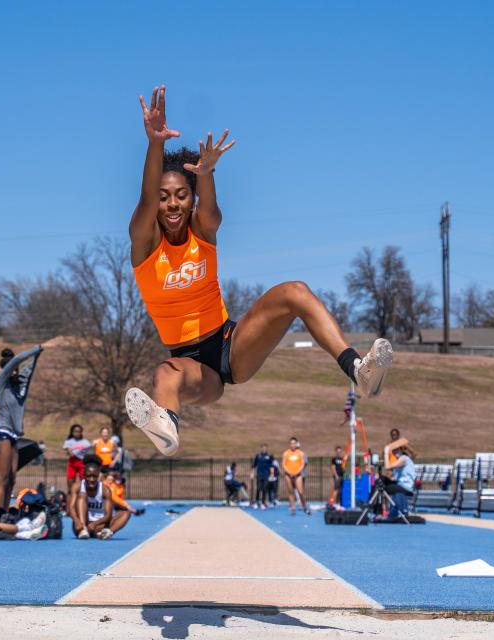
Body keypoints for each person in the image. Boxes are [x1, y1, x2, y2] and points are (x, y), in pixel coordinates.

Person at [123, 86, 392, 458]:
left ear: (192, 199)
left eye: (182, 195)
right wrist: (155, 144)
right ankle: (166, 425)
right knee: (165, 374)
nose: (172, 203)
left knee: (295, 291)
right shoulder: (145, 244)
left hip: (232, 344)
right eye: (166, 196)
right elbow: (147, 199)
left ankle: (358, 370)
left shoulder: (203, 230)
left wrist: (207, 173)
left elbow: (212, 212)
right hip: (196, 366)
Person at [0, 345, 44, 511]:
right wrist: (37, 348)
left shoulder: (19, 387)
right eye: (11, 369)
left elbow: (30, 368)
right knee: (2, 477)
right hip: (0, 431)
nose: (14, 372)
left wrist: (37, 355)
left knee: (11, 479)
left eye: (16, 370)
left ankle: (4, 513)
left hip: (13, 434)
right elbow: (17, 361)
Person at [70, 456, 129, 539]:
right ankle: (83, 530)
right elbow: (71, 508)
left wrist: (95, 524)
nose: (91, 479)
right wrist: (76, 521)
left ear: (98, 475)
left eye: (94, 476)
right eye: (88, 476)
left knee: (126, 513)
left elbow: (108, 515)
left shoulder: (105, 490)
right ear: (84, 475)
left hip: (99, 525)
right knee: (82, 495)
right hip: (82, 523)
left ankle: (107, 533)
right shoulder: (77, 486)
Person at [381, 437, 416, 520]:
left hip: (405, 487)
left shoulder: (403, 459)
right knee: (381, 480)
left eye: (396, 450)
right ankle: (377, 510)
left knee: (384, 487)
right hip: (400, 484)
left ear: (401, 450)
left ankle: (398, 510)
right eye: (393, 450)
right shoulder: (399, 460)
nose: (394, 452)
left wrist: (386, 452)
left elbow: (387, 467)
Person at [63, 424, 92, 499]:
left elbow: (89, 447)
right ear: (72, 432)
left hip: (81, 463)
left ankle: (83, 501)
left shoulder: (85, 441)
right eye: (75, 431)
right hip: (72, 463)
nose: (77, 433)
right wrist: (71, 452)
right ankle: (69, 505)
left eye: (79, 431)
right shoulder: (69, 441)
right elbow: (68, 451)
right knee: (70, 485)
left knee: (84, 484)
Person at [282, 437, 310, 515]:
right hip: (288, 474)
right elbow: (284, 464)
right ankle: (293, 508)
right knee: (291, 492)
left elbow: (303, 464)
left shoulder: (300, 453)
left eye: (294, 443)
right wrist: (289, 472)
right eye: (291, 443)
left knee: (300, 492)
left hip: (298, 475)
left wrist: (297, 472)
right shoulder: (286, 453)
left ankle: (304, 507)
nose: (293, 445)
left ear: (296, 444)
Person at [250, 444, 274, 509]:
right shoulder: (258, 456)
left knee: (264, 489)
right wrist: (252, 473)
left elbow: (271, 466)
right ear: (261, 448)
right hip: (259, 474)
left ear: (267, 449)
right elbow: (254, 465)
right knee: (258, 488)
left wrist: (272, 474)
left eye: (265, 448)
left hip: (266, 475)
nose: (264, 449)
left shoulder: (269, 457)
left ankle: (263, 503)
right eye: (263, 448)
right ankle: (257, 502)